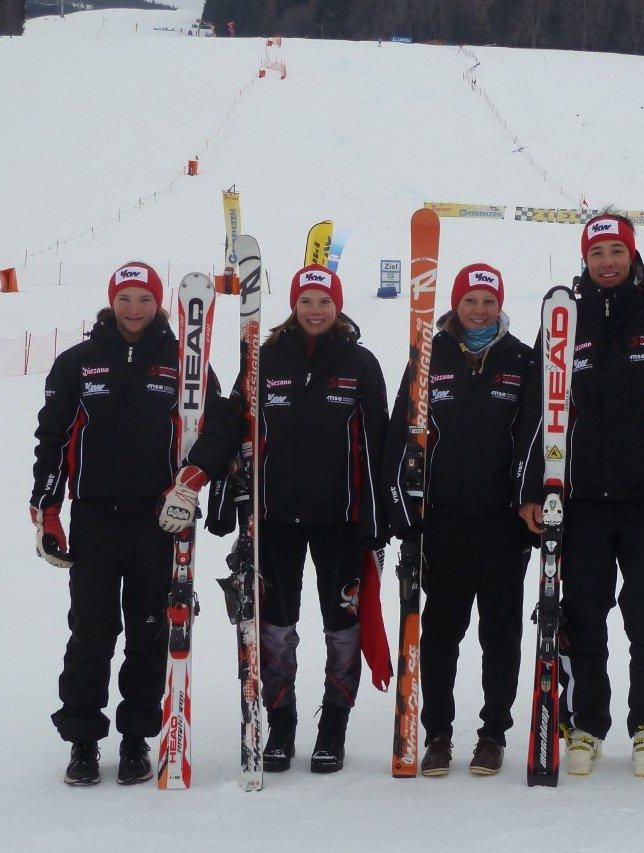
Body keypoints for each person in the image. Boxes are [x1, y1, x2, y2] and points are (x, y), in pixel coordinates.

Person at [30, 261, 236, 786]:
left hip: (159, 519)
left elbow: (222, 424)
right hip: (95, 518)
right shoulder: (79, 362)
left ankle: (136, 740)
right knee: (91, 632)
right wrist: (48, 513)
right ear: (111, 300)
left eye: (144, 299)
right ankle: (82, 741)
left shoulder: (183, 360)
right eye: (126, 299)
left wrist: (189, 482)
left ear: (159, 302)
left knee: (149, 630)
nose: (135, 309)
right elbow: (52, 440)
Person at [516, 213, 644, 778]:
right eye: (598, 254)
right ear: (585, 260)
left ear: (633, 254)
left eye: (617, 251)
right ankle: (584, 724)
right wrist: (533, 488)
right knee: (581, 614)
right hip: (580, 502)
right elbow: (537, 411)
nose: (608, 262)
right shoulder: (563, 321)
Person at [383, 263, 532, 777]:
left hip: (501, 523)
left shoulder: (521, 360)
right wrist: (404, 510)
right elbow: (400, 435)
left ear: (500, 305)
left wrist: (530, 502)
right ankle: (438, 734)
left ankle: (493, 734)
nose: (480, 310)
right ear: (456, 304)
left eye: (489, 301)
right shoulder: (428, 358)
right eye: (471, 301)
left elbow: (536, 440)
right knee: (442, 630)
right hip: (441, 523)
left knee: (501, 632)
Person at [241, 263, 389, 774]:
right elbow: (244, 434)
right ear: (293, 305)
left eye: (324, 302)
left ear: (338, 306)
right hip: (277, 518)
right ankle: (280, 727)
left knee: (342, 627)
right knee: (277, 626)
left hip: (341, 520)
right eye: (307, 301)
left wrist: (376, 516)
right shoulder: (264, 360)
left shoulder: (361, 364)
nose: (315, 310)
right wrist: (230, 504)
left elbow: (378, 445)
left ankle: (333, 730)